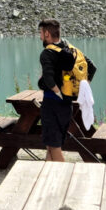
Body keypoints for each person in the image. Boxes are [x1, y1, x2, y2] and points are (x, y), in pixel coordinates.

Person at [38, 18, 78, 161]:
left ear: (47, 33)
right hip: (67, 105)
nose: (40, 36)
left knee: (54, 147)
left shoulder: (47, 53)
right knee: (51, 145)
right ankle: (47, 177)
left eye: (41, 33)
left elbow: (48, 79)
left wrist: (57, 92)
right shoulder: (68, 48)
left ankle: (64, 179)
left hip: (52, 104)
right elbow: (91, 67)